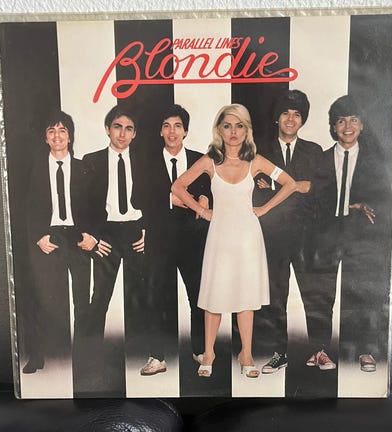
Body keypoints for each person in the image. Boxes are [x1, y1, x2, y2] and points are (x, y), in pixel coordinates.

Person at [172, 104, 310, 378]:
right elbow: (177, 187)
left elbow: (290, 183)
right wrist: (202, 211)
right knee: (214, 296)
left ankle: (246, 354)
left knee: (246, 297)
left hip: (248, 237)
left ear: (247, 130)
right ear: (219, 130)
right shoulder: (209, 161)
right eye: (227, 126)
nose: (233, 132)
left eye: (239, 126)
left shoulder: (255, 161)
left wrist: (264, 209)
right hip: (219, 236)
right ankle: (208, 354)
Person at [252, 90, 331, 374]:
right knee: (275, 295)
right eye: (285, 112)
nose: (290, 118)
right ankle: (279, 353)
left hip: (307, 236)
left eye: (297, 114)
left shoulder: (315, 151)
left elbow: (320, 191)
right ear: (277, 117)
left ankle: (320, 351)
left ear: (303, 119)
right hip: (272, 235)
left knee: (315, 293)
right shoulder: (259, 150)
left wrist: (278, 188)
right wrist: (298, 186)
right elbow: (256, 193)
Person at [312, 95, 392, 373]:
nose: (348, 126)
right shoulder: (320, 160)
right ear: (333, 127)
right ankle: (320, 350)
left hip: (361, 236)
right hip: (325, 234)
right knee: (321, 293)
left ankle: (364, 350)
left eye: (354, 120)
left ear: (362, 125)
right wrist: (348, 206)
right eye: (341, 121)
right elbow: (312, 202)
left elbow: (382, 202)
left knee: (359, 291)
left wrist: (363, 210)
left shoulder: (374, 162)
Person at [23, 110, 95, 391]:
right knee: (41, 296)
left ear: (70, 136)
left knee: (82, 299)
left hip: (77, 237)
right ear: (45, 137)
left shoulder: (83, 168)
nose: (57, 136)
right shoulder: (35, 169)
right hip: (49, 236)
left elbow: (95, 205)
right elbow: (26, 206)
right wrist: (38, 236)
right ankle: (36, 354)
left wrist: (90, 235)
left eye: (62, 130)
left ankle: (85, 357)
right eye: (51, 130)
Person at [138, 105, 211, 376]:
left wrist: (204, 198)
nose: (172, 131)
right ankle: (157, 356)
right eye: (166, 125)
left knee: (198, 294)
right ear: (160, 131)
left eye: (177, 126)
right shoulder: (145, 162)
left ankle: (200, 349)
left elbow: (211, 191)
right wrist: (171, 199)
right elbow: (138, 197)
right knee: (155, 295)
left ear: (186, 131)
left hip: (193, 239)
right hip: (159, 239)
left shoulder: (199, 160)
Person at [82, 104, 145, 393]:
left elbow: (155, 200)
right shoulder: (92, 161)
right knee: (101, 295)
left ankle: (137, 355)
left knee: (137, 295)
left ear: (134, 134)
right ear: (108, 129)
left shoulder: (145, 161)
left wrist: (147, 231)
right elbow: (81, 204)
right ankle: (90, 357)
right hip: (106, 233)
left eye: (129, 128)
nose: (123, 133)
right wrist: (93, 238)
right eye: (117, 126)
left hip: (134, 232)